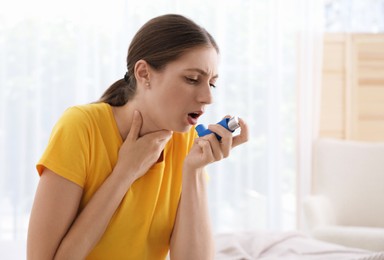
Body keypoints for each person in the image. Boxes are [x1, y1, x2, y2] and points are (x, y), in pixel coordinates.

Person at [27, 14, 249, 260]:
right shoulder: (82, 127)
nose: (208, 97)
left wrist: (194, 171)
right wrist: (125, 173)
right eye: (192, 79)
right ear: (144, 74)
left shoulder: (185, 141)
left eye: (212, 84)